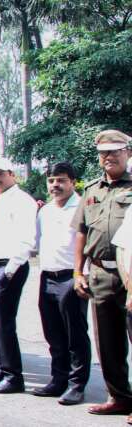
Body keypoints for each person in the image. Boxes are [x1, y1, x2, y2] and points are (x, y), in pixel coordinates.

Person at [73, 130, 132, 417]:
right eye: (104, 152)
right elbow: (81, 234)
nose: (109, 156)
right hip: (100, 273)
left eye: (116, 151)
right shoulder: (92, 191)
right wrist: (77, 271)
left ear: (128, 153)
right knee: (108, 342)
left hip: (130, 275)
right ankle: (119, 397)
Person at [0, 157, 37, 394]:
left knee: (4, 323)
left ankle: (13, 376)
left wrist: (10, 271)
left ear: (12, 174)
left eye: (0, 174)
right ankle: (1, 370)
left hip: (8, 267)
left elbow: (26, 240)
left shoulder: (23, 201)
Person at [33, 162, 89, 405]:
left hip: (71, 277)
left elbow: (86, 245)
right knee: (53, 332)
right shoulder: (45, 211)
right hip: (48, 276)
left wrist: (81, 275)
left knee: (75, 334)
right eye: (51, 180)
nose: (55, 185)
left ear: (73, 182)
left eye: (61, 180)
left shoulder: (82, 207)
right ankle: (58, 379)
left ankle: (77, 385)